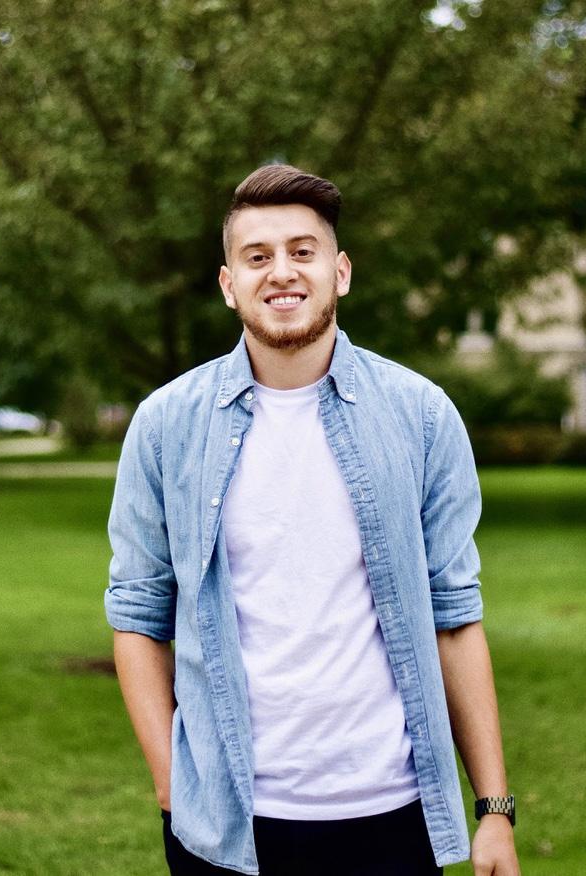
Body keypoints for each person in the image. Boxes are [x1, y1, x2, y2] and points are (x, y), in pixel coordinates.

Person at [105, 165, 520, 876]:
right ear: (229, 284)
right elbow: (138, 615)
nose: (282, 272)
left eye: (303, 251)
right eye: (257, 256)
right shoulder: (166, 425)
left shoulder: (421, 416)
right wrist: (174, 790)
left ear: (341, 271)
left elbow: (454, 617)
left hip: (391, 817)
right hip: (229, 828)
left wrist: (494, 809)